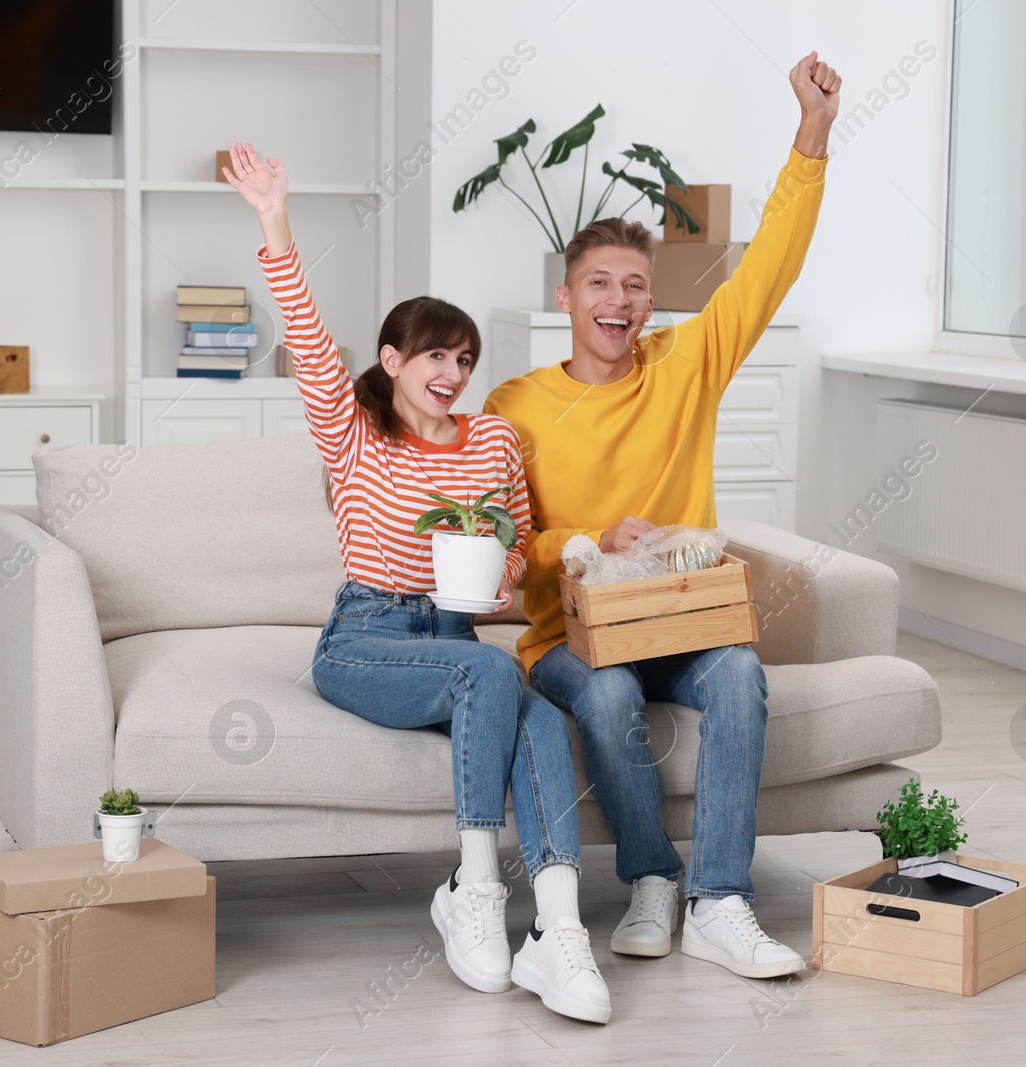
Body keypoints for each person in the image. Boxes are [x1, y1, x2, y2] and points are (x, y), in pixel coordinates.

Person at [224, 143, 610, 1023]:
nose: (452, 374)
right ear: (394, 361)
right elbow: (313, 344)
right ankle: (474, 888)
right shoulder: (355, 434)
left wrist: (497, 569)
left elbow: (513, 553)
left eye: (465, 360)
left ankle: (556, 928)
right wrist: (273, 217)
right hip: (363, 638)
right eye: (435, 356)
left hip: (451, 636)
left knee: (539, 714)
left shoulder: (494, 442)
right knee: (492, 673)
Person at [482, 53, 841, 978]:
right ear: (565, 297)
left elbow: (770, 264)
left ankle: (720, 899)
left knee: (738, 675)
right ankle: (651, 876)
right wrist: (589, 544)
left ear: (651, 299)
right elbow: (504, 544)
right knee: (603, 689)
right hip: (570, 637)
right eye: (599, 283)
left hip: (681, 621)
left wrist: (812, 134)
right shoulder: (515, 405)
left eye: (634, 286)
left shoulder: (686, 365)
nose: (618, 301)